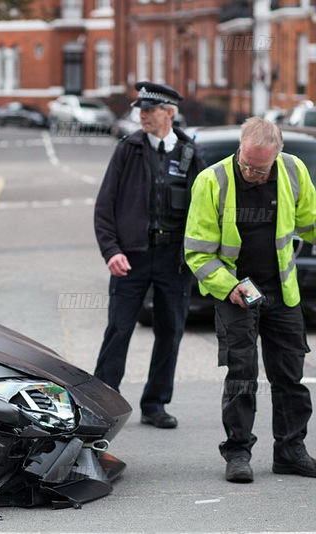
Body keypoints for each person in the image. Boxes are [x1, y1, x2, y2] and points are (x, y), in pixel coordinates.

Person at [185, 117, 316, 483]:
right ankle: (238, 452)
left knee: (290, 374)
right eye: (245, 163)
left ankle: (291, 451)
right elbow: (197, 252)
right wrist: (228, 286)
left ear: (277, 156)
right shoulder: (212, 180)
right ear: (240, 148)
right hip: (235, 293)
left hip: (281, 291)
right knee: (242, 374)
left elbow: (309, 222)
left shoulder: (293, 170)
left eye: (259, 169)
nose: (250, 173)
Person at [93, 81, 203, 429]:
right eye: (140, 109)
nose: (142, 115)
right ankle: (102, 402)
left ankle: (155, 404)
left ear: (168, 113)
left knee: (170, 331)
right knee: (119, 329)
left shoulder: (190, 153)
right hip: (132, 258)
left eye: (149, 109)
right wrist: (111, 251)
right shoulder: (128, 149)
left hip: (174, 258)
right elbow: (105, 205)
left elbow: (204, 211)